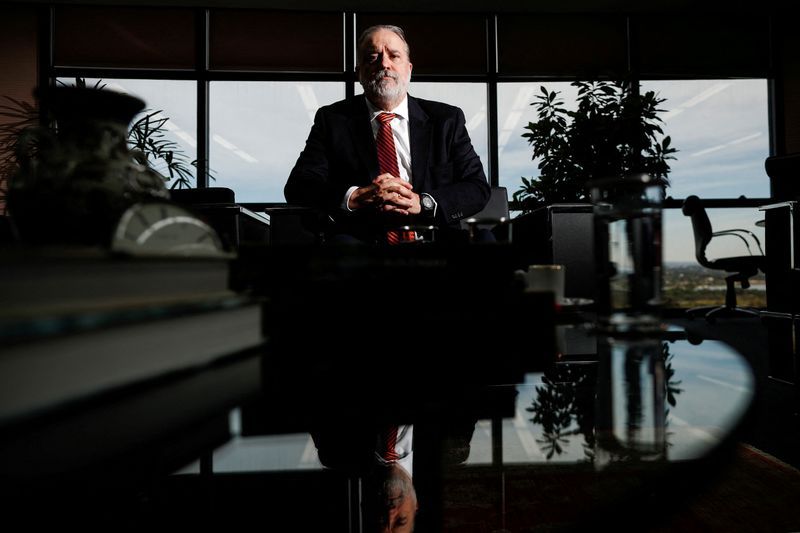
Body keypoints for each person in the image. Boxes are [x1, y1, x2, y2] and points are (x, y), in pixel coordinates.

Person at [285, 24, 491, 244]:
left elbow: (476, 186)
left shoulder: (446, 119)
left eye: (394, 56)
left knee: (484, 241)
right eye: (372, 57)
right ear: (359, 73)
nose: (384, 63)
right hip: (362, 242)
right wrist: (356, 196)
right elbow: (300, 185)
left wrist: (424, 203)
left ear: (409, 69)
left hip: (434, 238)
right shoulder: (332, 120)